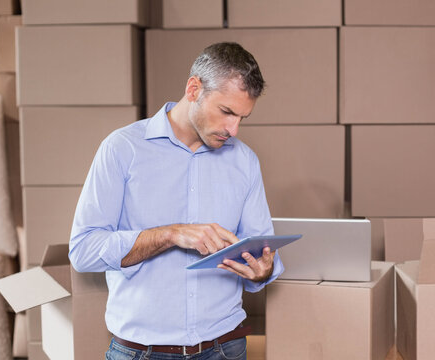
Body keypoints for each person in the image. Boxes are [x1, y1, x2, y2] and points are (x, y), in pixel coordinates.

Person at [69, 42, 284, 360]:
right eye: (226, 112)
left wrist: (263, 270)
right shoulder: (122, 149)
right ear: (194, 88)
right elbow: (83, 251)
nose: (233, 130)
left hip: (225, 348)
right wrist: (170, 234)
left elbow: (260, 250)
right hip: (141, 352)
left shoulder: (245, 161)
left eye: (242, 117)